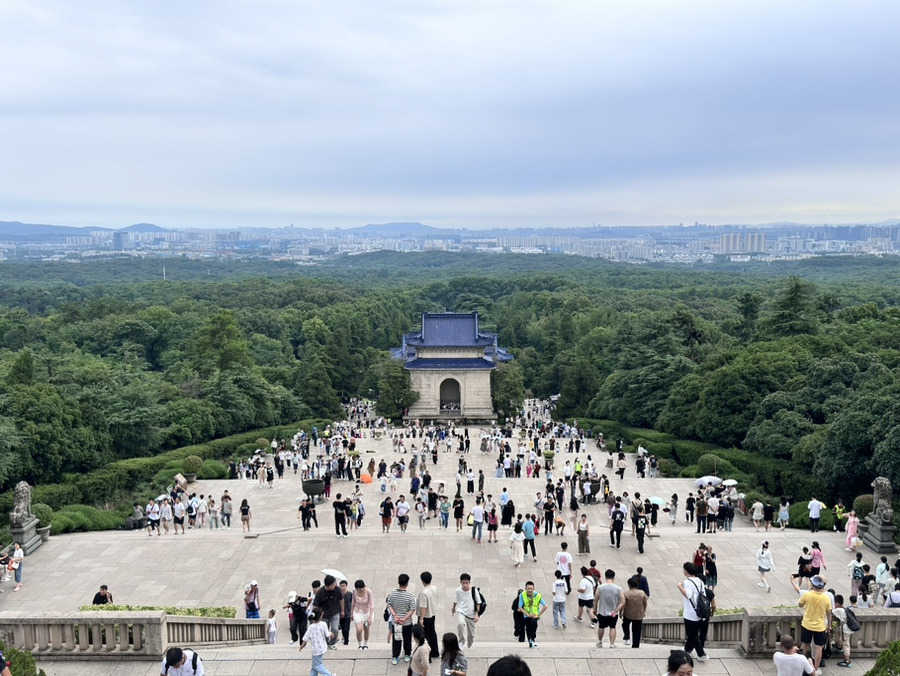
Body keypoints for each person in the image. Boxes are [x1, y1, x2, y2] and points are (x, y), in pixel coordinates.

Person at [798, 575, 833, 675]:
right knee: (819, 648)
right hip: (820, 626)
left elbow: (800, 604)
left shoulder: (807, 595)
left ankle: (801, 665)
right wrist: (829, 626)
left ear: (813, 585)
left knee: (804, 645)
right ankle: (816, 668)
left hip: (807, 624)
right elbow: (829, 614)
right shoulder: (826, 598)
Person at [677, 562, 710, 662]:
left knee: (691, 634)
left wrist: (679, 586)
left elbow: (688, 595)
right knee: (693, 633)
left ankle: (701, 654)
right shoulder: (699, 581)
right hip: (700, 612)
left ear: (686, 571)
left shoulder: (687, 582)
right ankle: (687, 650)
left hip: (691, 613)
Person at [388, 573, 417, 664]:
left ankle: (395, 656)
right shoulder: (409, 595)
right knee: (407, 639)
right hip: (407, 622)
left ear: (398, 582)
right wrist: (404, 618)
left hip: (396, 622)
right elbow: (412, 608)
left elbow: (389, 605)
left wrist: (395, 615)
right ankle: (407, 654)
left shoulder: (392, 593)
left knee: (396, 639)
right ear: (407, 583)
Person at [593, 569, 624, 649]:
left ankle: (600, 642)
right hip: (613, 612)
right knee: (612, 627)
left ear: (605, 577)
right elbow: (622, 602)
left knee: (601, 626)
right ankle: (612, 644)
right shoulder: (618, 589)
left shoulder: (600, 587)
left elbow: (596, 599)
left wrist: (595, 609)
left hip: (602, 611)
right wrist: (616, 610)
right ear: (613, 578)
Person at [299, 607, 335, 676]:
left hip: (315, 650)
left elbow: (306, 638)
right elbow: (327, 634)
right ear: (321, 616)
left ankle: (329, 675)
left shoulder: (311, 627)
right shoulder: (323, 624)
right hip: (322, 648)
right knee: (315, 665)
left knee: (317, 665)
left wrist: (302, 645)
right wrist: (331, 633)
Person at [312, 575, 344, 648]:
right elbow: (315, 605)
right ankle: (326, 644)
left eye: (334, 583)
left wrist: (342, 610)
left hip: (335, 612)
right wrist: (317, 616)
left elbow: (341, 599)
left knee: (335, 629)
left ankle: (332, 643)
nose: (334, 586)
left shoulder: (337, 589)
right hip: (324, 615)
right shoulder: (320, 592)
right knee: (324, 631)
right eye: (332, 585)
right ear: (327, 585)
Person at [451, 573, 482, 649]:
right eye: (463, 583)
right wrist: (453, 608)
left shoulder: (474, 590)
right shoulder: (458, 590)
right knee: (461, 623)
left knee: (471, 634)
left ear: (469, 582)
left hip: (471, 614)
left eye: (466, 583)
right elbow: (456, 600)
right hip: (462, 611)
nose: (465, 585)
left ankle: (470, 644)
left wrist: (477, 614)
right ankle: (461, 641)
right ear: (460, 582)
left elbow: (478, 603)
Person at [417, 571, 440, 660]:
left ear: (422, 581)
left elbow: (423, 607)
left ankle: (426, 656)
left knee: (425, 636)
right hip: (432, 614)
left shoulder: (424, 593)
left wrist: (421, 619)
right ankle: (435, 652)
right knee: (432, 633)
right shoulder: (434, 588)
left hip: (425, 616)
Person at [517, 581, 547, 648]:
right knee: (528, 628)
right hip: (526, 615)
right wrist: (527, 614)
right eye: (528, 588)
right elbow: (520, 607)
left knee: (534, 624)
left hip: (534, 615)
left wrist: (538, 615)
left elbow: (545, 606)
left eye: (531, 588)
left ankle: (532, 639)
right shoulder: (522, 595)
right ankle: (530, 641)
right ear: (525, 588)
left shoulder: (538, 595)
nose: (530, 590)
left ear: (533, 588)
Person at [622, 577, 648, 648]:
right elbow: (645, 602)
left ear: (629, 585)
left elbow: (623, 604)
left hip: (628, 613)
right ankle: (636, 644)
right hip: (639, 614)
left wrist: (621, 612)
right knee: (637, 630)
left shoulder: (626, 593)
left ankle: (627, 635)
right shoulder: (642, 593)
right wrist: (644, 610)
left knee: (625, 624)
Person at [831, 594, 856, 668]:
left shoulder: (838, 610)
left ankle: (847, 661)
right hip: (848, 629)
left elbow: (830, 611)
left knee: (846, 644)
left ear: (837, 603)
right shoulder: (845, 609)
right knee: (843, 640)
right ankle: (839, 646)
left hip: (845, 630)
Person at [349, 579, 374, 649]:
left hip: (367, 612)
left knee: (366, 628)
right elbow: (353, 602)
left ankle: (365, 643)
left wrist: (370, 617)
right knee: (359, 629)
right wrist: (351, 613)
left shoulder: (368, 591)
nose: (359, 590)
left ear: (363, 587)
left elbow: (372, 604)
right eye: (357, 589)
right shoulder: (354, 591)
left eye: (360, 589)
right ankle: (360, 644)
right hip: (357, 612)